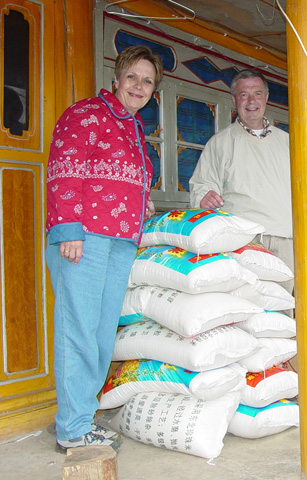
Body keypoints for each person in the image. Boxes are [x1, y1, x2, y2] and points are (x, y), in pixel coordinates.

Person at [45, 45, 163, 453]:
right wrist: (69, 230)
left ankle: (74, 415)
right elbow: (65, 168)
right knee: (78, 330)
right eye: (133, 76)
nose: (139, 86)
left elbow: (121, 177)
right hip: (85, 238)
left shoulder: (133, 128)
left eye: (147, 81)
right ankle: (74, 429)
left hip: (120, 240)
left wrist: (141, 198)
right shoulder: (87, 114)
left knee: (98, 335)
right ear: (117, 77)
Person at [189, 69, 293, 287]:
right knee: (245, 310)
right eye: (244, 94)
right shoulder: (220, 143)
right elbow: (202, 186)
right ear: (234, 99)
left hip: (287, 241)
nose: (251, 101)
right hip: (244, 242)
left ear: (266, 98)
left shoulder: (289, 142)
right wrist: (204, 198)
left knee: (283, 311)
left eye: (257, 93)